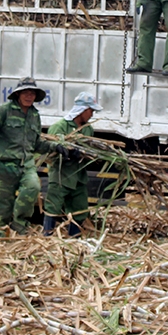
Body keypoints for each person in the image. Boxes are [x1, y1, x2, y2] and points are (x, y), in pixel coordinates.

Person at [0, 77, 59, 234]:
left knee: (33, 187)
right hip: (3, 166)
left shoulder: (34, 115)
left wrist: (55, 147)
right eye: (25, 92)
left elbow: (36, 144)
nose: (29, 96)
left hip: (26, 165)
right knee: (2, 208)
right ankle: (1, 239)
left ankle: (19, 226)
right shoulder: (4, 111)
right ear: (18, 94)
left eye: (32, 93)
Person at [44, 91, 103, 236]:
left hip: (79, 177)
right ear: (82, 110)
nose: (92, 114)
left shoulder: (87, 129)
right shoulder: (60, 127)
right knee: (53, 207)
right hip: (61, 176)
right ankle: (47, 236)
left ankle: (74, 238)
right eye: (91, 111)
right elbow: (49, 152)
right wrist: (67, 153)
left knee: (80, 208)